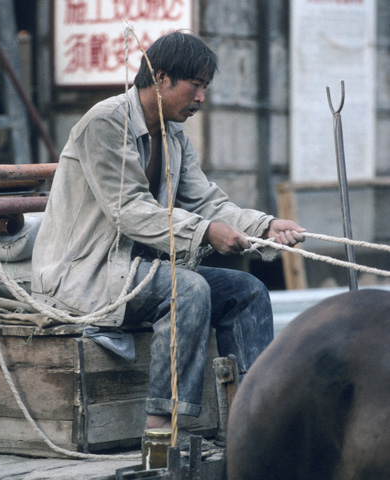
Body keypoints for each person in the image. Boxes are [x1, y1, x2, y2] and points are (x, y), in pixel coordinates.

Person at [32, 31, 305, 439]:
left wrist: (263, 225)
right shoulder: (104, 123)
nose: (201, 98)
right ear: (160, 79)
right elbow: (129, 210)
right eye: (195, 85)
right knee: (188, 288)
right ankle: (160, 430)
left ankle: (249, 418)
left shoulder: (174, 135)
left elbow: (207, 201)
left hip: (137, 272)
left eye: (205, 87)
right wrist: (206, 233)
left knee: (247, 290)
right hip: (87, 275)